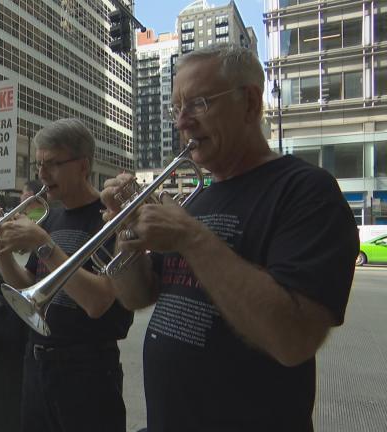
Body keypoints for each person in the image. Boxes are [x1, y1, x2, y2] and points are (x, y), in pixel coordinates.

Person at [101, 44, 359, 431]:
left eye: (199, 103)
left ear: (251, 104)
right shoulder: (200, 196)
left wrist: (191, 237)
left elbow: (293, 340)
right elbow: (138, 295)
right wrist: (126, 230)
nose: (182, 122)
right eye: (176, 108)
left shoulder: (306, 190)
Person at [0, 118, 132, 432]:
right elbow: (28, 288)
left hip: (88, 370)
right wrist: (3, 250)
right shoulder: (52, 215)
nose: (41, 175)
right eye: (39, 164)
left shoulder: (110, 217)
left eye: (52, 164)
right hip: (38, 363)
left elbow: (98, 302)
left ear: (82, 166)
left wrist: (43, 244)